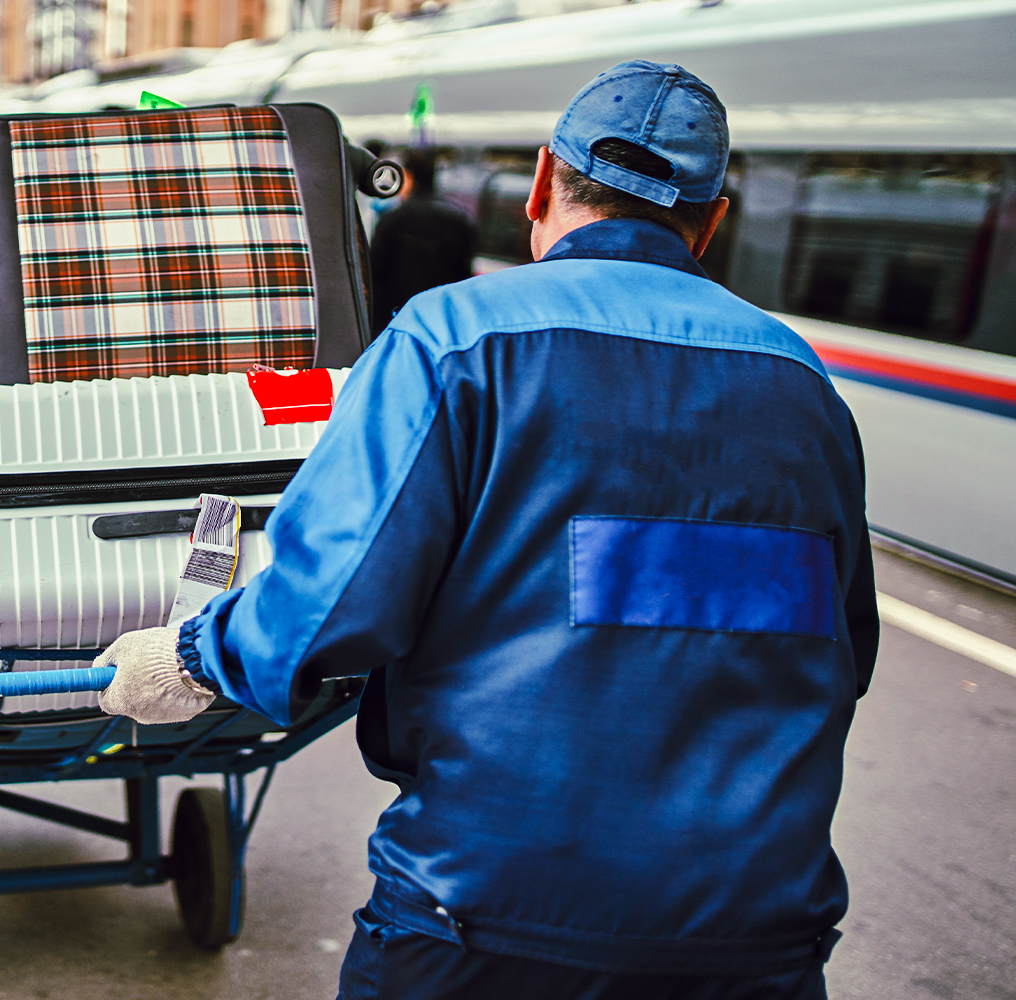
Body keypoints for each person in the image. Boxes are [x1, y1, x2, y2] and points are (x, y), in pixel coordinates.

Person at [97, 60, 878, 999]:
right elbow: (847, 646)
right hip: (757, 931)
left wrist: (188, 660)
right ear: (713, 222)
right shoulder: (802, 382)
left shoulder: (454, 339)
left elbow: (333, 599)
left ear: (542, 183)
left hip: (487, 914)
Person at [367, 146, 478, 334]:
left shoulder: (392, 219)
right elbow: (464, 273)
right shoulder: (460, 219)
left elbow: (374, 273)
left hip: (398, 319)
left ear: (408, 177)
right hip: (441, 319)